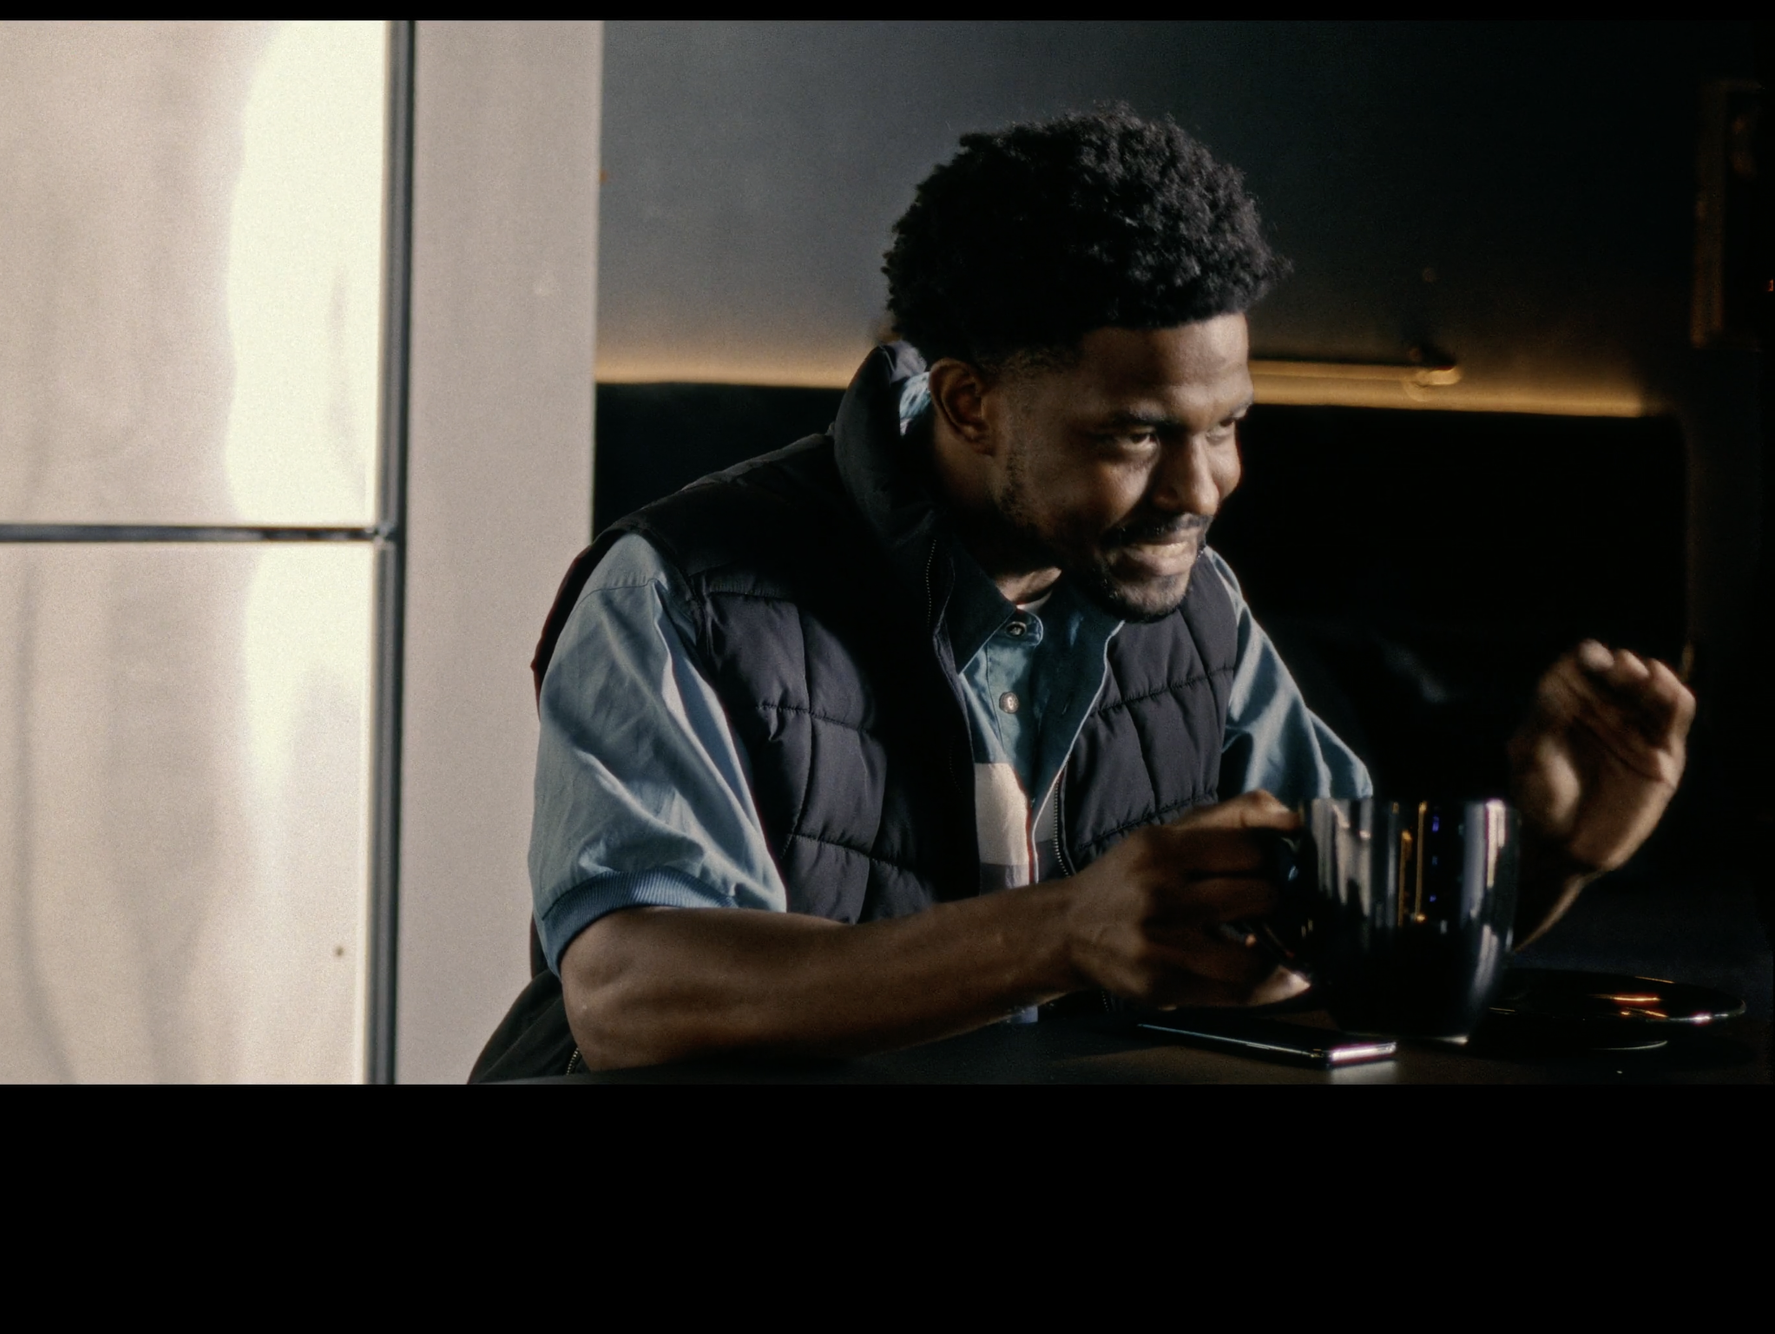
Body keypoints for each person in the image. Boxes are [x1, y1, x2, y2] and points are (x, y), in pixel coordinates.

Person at [470, 107, 1696, 1080]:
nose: (1204, 486)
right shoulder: (683, 590)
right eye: (1136, 436)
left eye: (1227, 428)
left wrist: (1547, 857)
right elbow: (629, 994)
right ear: (967, 402)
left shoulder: (1195, 604)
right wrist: (1063, 932)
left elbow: (1338, 953)